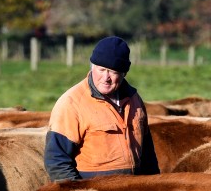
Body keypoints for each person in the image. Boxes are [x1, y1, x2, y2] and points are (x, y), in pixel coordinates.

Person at [44, 36, 159, 181]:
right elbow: (56, 161)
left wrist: (153, 185)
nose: (106, 77)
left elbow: (148, 154)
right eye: (101, 69)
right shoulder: (71, 103)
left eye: (113, 72)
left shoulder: (135, 100)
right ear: (92, 66)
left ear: (124, 73)